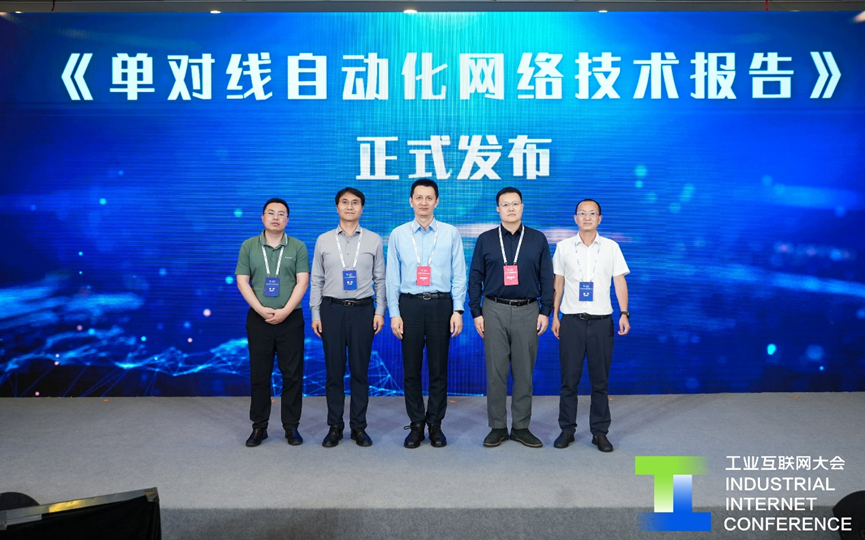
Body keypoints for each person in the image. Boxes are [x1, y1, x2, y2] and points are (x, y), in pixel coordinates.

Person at [468, 187, 554, 448]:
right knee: (496, 372)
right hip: (493, 309)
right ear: (498, 209)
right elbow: (475, 277)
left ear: (522, 207)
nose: (511, 208)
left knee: (524, 372)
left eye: (515, 203)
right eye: (505, 205)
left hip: (528, 310)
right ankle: (497, 427)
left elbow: (546, 277)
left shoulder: (537, 239)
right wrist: (476, 312)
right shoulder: (486, 239)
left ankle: (520, 427)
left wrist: (546, 310)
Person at [386, 179, 467, 449]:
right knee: (411, 370)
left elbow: (459, 274)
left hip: (440, 305)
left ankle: (435, 424)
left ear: (437, 201)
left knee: (438, 369)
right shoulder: (398, 234)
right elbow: (392, 277)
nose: (423, 202)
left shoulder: (450, 233)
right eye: (418, 197)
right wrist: (395, 313)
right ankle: (416, 424)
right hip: (408, 305)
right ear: (411, 201)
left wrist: (457, 309)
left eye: (429, 197)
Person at [551, 199, 630, 452]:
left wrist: (624, 313)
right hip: (571, 321)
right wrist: (555, 316)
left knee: (600, 381)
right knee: (569, 381)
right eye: (582, 213)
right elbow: (558, 283)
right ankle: (567, 430)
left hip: (601, 323)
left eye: (592, 213)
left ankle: (600, 433)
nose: (587, 217)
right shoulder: (563, 247)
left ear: (599, 219)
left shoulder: (611, 247)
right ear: (575, 218)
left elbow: (619, 281)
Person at [310, 188, 386, 448]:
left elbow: (380, 279)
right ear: (337, 207)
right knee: (334, 372)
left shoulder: (374, 240)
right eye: (344, 202)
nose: (350, 206)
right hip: (331, 310)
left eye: (355, 202)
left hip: (363, 310)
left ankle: (358, 427)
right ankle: (334, 427)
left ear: (362, 208)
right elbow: (317, 279)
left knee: (360, 371)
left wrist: (380, 310)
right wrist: (315, 312)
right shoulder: (323, 240)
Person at [236, 198, 309, 447]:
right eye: (271, 213)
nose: (276, 217)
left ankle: (291, 427)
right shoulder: (249, 246)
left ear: (287, 219)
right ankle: (259, 427)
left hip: (291, 319)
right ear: (262, 217)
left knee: (292, 375)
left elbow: (302, 282)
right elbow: (242, 281)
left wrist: (285, 311)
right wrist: (260, 310)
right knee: (260, 375)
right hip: (259, 319)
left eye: (281, 214)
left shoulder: (298, 246)